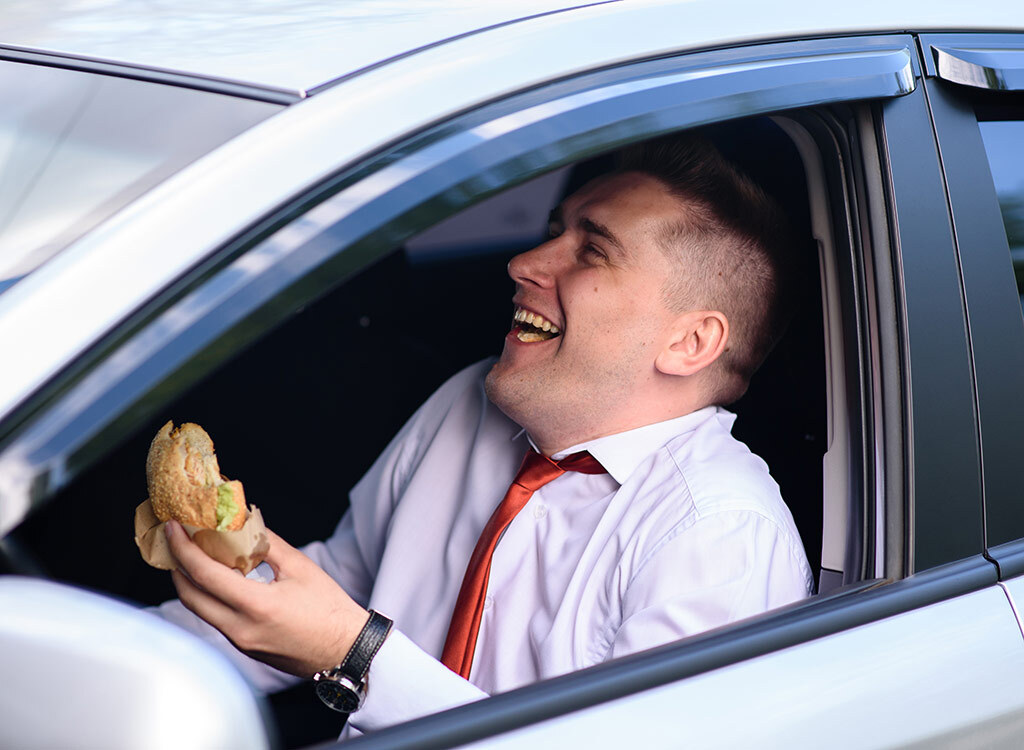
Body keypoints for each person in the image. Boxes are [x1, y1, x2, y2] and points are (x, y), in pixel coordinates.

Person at [156, 131, 814, 736]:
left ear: (690, 341)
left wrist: (355, 656)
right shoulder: (468, 402)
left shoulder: (721, 536)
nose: (524, 261)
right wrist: (127, 654)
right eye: (554, 231)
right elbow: (347, 579)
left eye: (591, 251)